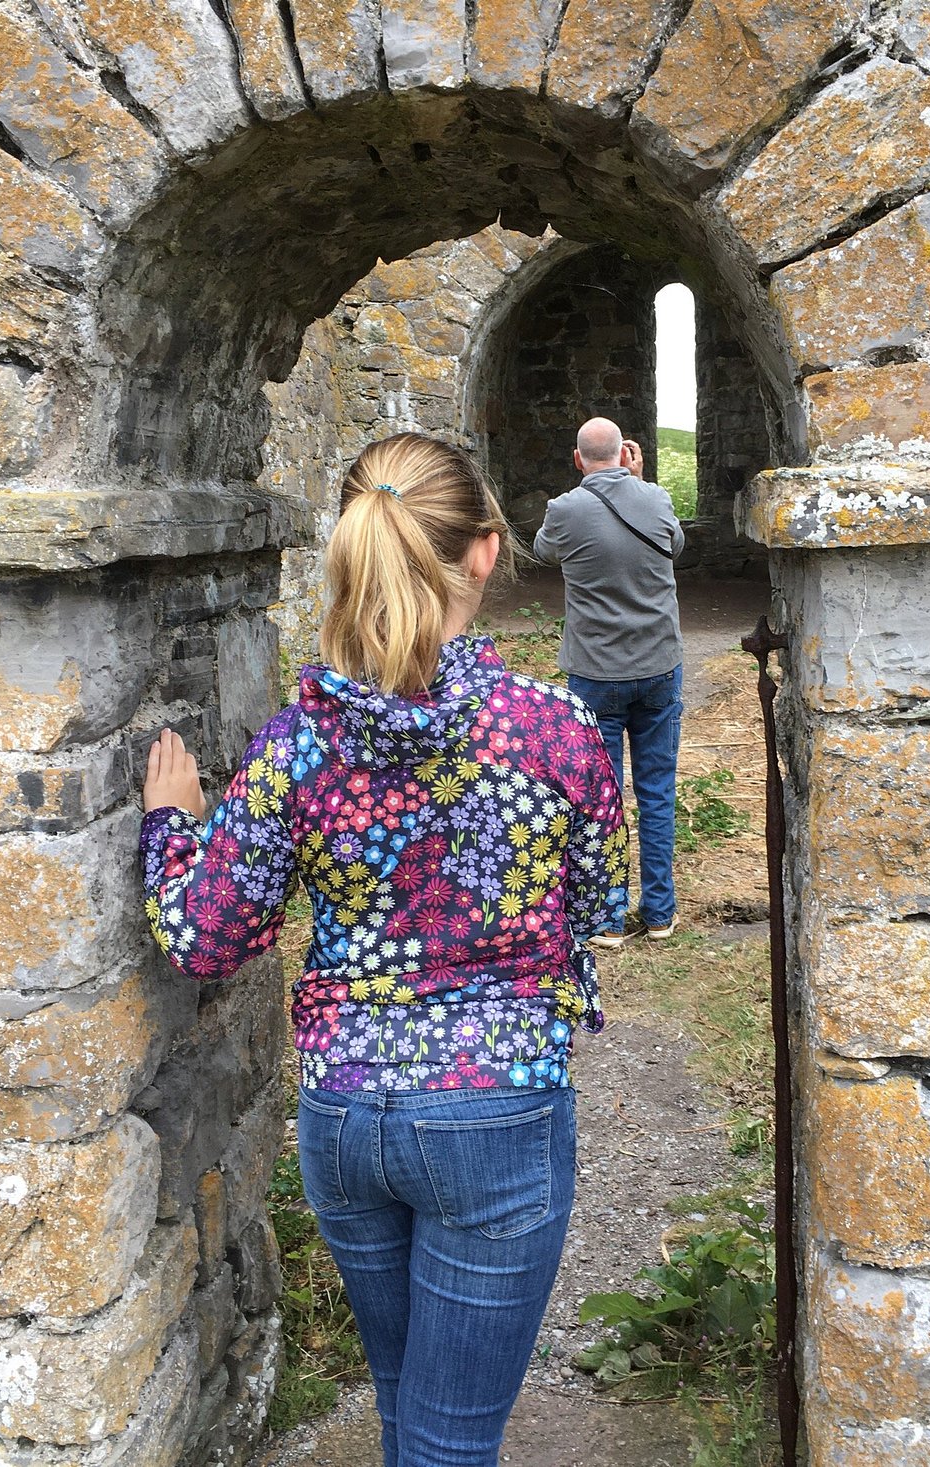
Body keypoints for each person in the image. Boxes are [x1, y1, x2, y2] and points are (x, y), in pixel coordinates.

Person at [139, 432, 628, 1467]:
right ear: (484, 552)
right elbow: (598, 900)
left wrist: (172, 828)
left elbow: (206, 936)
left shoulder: (300, 742)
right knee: (449, 1440)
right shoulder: (557, 730)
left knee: (409, 1408)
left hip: (347, 1114)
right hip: (496, 1108)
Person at [533, 416, 684, 947]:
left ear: (578, 460)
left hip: (594, 670)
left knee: (600, 794)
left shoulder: (563, 510)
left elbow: (543, 552)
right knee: (657, 789)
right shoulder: (656, 499)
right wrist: (639, 482)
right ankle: (660, 912)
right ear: (625, 454)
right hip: (659, 664)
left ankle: (606, 918)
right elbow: (676, 545)